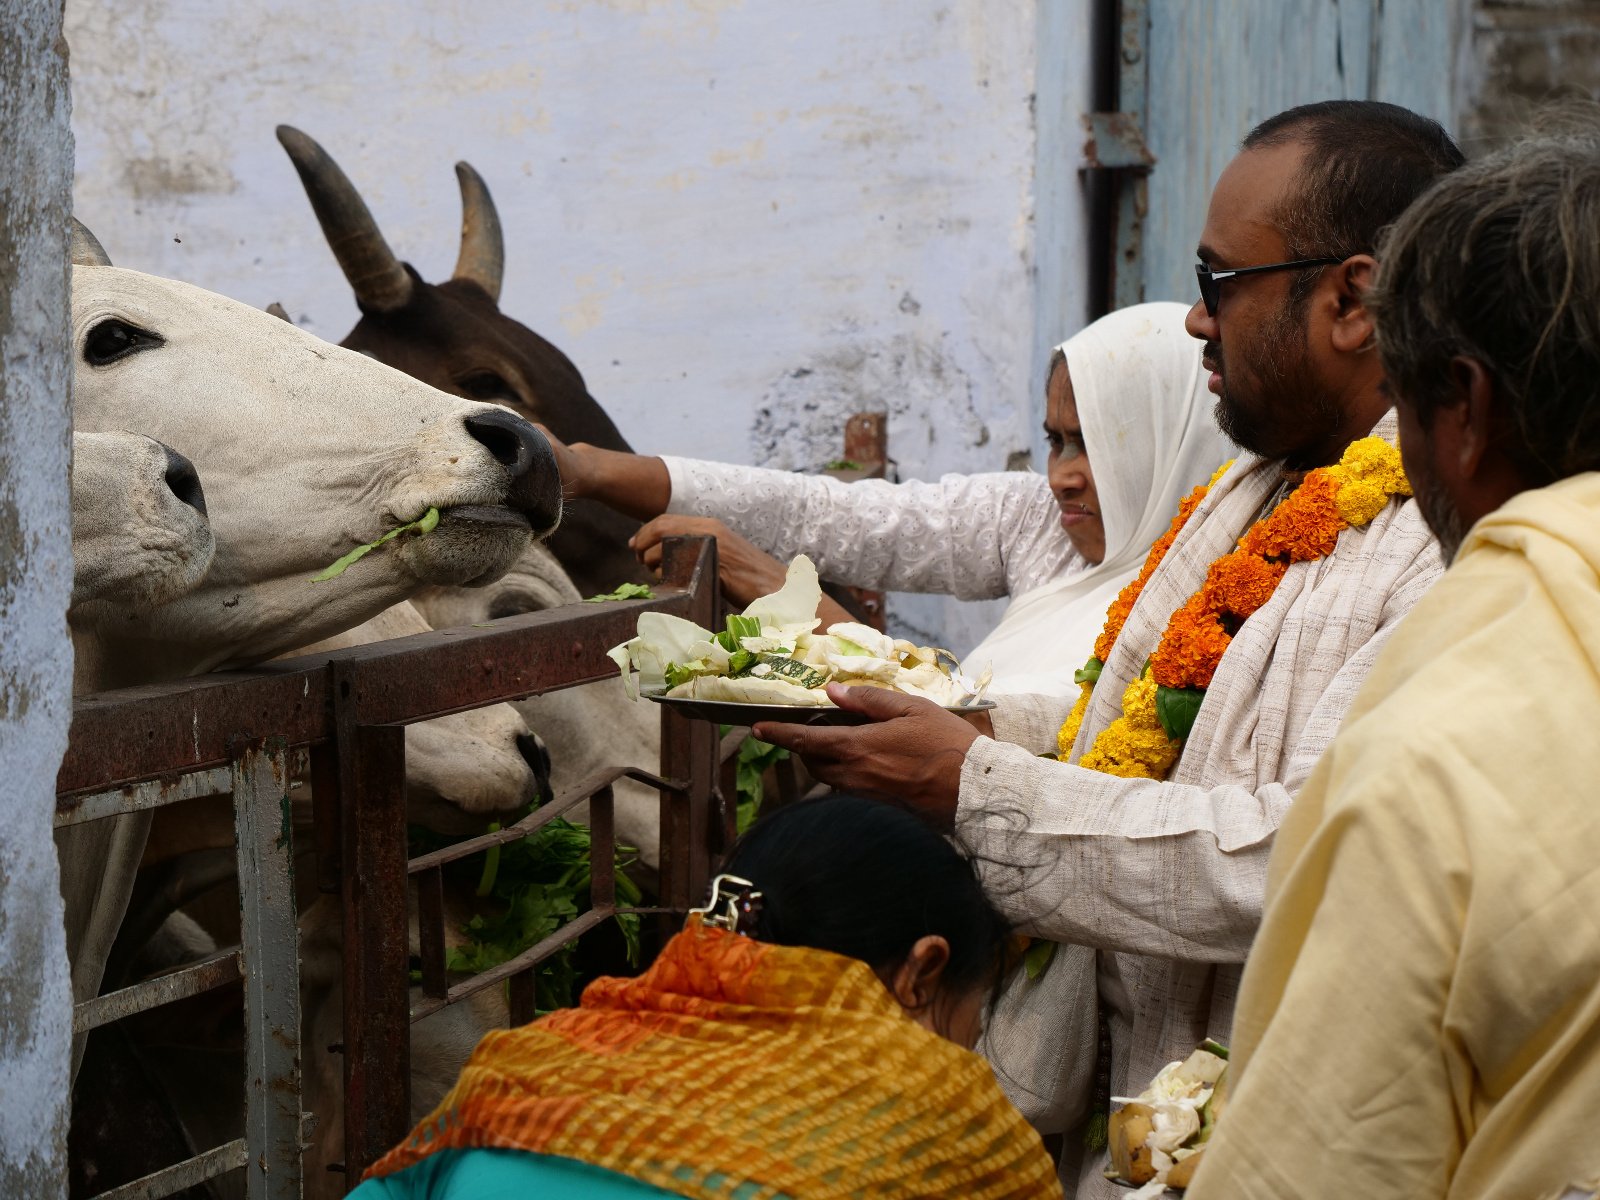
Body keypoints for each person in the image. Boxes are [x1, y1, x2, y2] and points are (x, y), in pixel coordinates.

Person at [748, 100, 1462, 1196]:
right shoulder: (1255, 487)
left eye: (1219, 281)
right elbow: (1146, 733)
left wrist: (974, 790)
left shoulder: (1443, 534)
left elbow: (1303, 858)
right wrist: (973, 734)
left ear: (1352, 299)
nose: (1192, 321)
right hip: (1124, 1114)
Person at [1186, 131, 1600, 1199]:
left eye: (1402, 407)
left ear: (1460, 410)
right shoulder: (1255, 494)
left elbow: (1323, 1164)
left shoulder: (1443, 745)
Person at [351, 794, 1064, 1200]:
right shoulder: (943, 1120)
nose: (970, 1046)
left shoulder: (531, 1062)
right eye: (977, 1012)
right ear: (923, 972)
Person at [549, 301, 1230, 697]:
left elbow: (976, 744)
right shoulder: (1045, 524)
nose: (1063, 475)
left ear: (1172, 444)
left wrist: (773, 591)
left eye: (1094, 447)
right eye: (1056, 442)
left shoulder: (1214, 614)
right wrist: (586, 471)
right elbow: (826, 517)